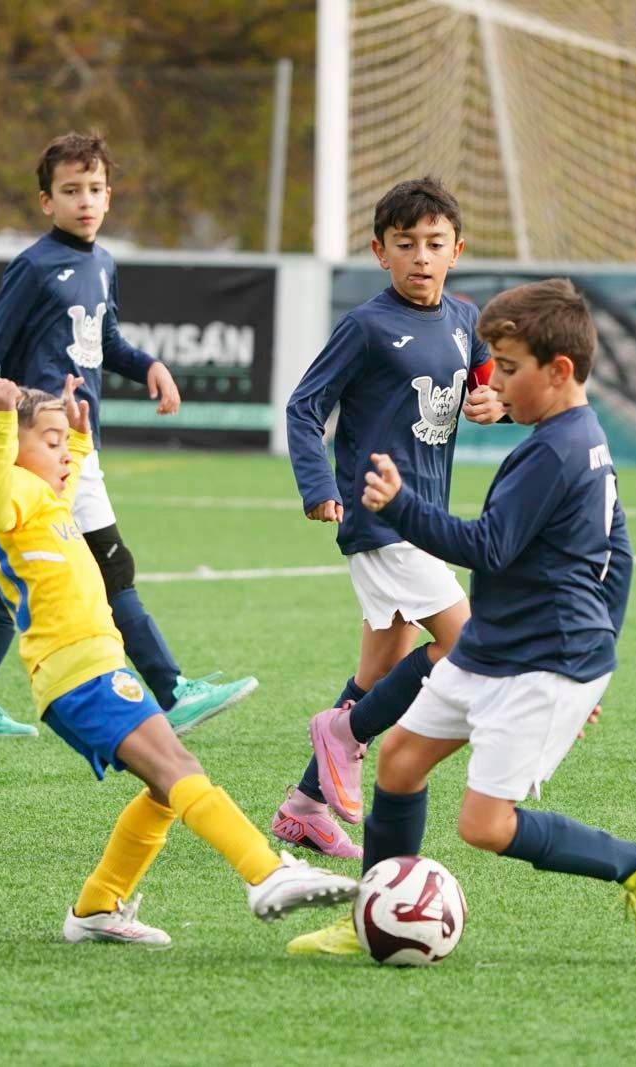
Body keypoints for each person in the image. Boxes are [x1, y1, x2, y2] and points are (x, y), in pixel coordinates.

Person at [288, 279, 636, 962]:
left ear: (559, 371)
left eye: (508, 370)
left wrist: (400, 506)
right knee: (400, 760)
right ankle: (372, 915)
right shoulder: (572, 437)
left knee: (484, 823)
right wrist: (599, 650)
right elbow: (618, 555)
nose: (494, 383)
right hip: (499, 647)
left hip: (542, 661)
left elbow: (489, 546)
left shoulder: (558, 450)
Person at [0, 373, 355, 945]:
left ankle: (98, 906)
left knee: (164, 785)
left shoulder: (42, 499)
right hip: (79, 672)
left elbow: (55, 491)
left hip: (98, 665)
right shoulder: (2, 492)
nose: (61, 454)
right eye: (47, 443)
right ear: (5, 445)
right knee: (180, 772)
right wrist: (2, 425)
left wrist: (75, 436)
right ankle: (266, 873)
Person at [0, 131, 255, 739]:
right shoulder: (31, 268)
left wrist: (150, 366)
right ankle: (172, 687)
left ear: (110, 196)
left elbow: (105, 344)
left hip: (76, 439)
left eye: (96, 189)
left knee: (21, 571)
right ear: (45, 202)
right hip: (43, 445)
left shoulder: (102, 265)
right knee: (111, 563)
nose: (85, 200)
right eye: (71, 190)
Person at [273, 177, 504, 859]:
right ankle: (343, 734)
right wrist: (320, 485)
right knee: (466, 642)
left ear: (456, 249)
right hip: (381, 519)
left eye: (434, 244)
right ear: (380, 251)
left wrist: (495, 404)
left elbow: (483, 377)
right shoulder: (367, 326)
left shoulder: (465, 319)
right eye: (406, 245)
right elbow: (303, 407)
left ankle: (305, 806)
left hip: (426, 520)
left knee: (380, 673)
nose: (421, 257)